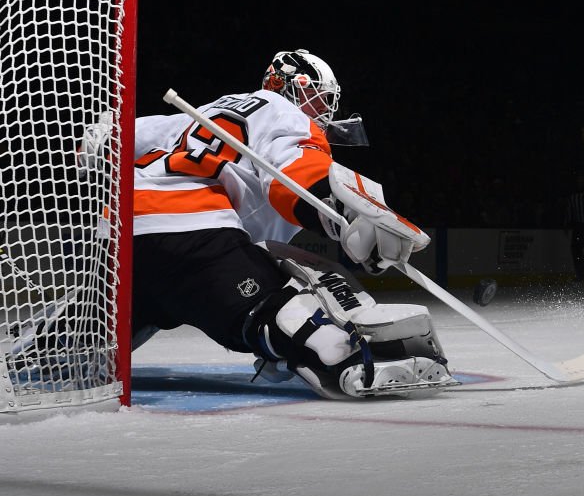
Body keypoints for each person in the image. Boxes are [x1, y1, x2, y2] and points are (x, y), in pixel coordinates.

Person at [128, 49, 456, 398]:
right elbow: (297, 169)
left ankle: (70, 348)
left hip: (125, 241)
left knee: (101, 334)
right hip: (190, 227)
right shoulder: (280, 109)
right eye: (320, 97)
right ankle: (346, 361)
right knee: (277, 306)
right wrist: (348, 212)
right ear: (290, 86)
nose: (325, 109)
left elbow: (122, 138)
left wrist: (101, 137)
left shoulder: (200, 114)